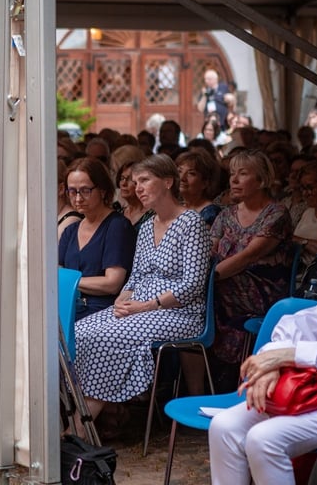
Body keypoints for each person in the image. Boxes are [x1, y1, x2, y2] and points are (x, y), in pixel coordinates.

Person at [72, 154, 210, 433]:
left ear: (168, 182)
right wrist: (124, 298)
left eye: (145, 180)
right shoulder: (147, 226)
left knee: (104, 336)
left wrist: (147, 306)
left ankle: (80, 428)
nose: (138, 188)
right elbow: (136, 275)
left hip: (179, 313)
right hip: (141, 306)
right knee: (78, 331)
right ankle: (97, 412)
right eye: (136, 183)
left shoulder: (191, 223)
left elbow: (193, 284)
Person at [209, 275, 317, 485]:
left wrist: (289, 355)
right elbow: (300, 324)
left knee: (264, 439)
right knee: (224, 426)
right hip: (316, 390)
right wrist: (274, 360)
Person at [210, 150, 293, 388]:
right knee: (189, 300)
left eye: (243, 174)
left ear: (262, 179)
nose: (233, 180)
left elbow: (248, 256)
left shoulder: (276, 214)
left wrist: (208, 279)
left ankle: (222, 375)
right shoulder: (226, 214)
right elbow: (209, 250)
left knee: (198, 299)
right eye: (232, 174)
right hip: (224, 285)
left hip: (261, 291)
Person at [59, 158, 135, 320]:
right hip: (67, 307)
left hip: (102, 311)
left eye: (85, 190)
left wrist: (69, 280)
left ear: (102, 190)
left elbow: (112, 284)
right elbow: (56, 275)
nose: (78, 198)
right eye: (72, 191)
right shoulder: (70, 231)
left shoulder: (117, 227)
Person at [175, 148, 222, 228]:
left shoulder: (211, 213)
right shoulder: (177, 207)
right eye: (180, 171)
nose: (182, 178)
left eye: (191, 173)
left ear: (205, 182)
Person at [116, 161, 154, 233]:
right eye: (122, 178)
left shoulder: (152, 216)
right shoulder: (117, 213)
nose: (123, 183)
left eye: (130, 179)